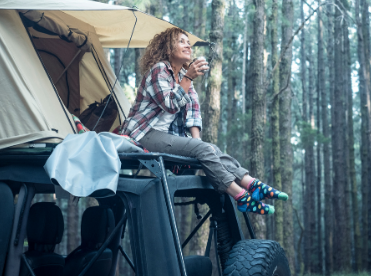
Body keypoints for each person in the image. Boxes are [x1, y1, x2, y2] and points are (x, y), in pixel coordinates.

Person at [119, 27, 287, 215]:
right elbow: (170, 104)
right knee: (205, 150)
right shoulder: (159, 70)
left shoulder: (183, 77)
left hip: (165, 136)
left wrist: (197, 142)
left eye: (188, 43)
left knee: (210, 149)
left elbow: (193, 111)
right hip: (143, 134)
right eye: (181, 41)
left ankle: (252, 184)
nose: (188, 45)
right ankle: (241, 196)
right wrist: (189, 77)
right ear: (168, 48)